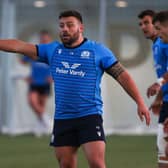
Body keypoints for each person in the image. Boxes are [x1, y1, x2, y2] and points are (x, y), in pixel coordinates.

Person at [0, 10, 150, 168]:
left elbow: (122, 76)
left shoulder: (97, 51)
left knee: (97, 163)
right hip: (63, 119)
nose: (65, 29)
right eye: (61, 26)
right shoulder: (52, 50)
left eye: (70, 25)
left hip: (89, 116)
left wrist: (140, 102)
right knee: (66, 165)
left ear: (81, 28)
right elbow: (19, 46)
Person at [138, 9, 168, 167]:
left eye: (147, 23)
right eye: (141, 24)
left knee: (164, 148)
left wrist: (159, 83)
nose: (144, 27)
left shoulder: (163, 45)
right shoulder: (158, 45)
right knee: (162, 149)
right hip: (166, 101)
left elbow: (164, 77)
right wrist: (159, 98)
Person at [20, 30, 53, 136]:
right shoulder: (34, 51)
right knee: (32, 101)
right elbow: (22, 62)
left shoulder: (53, 52)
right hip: (34, 82)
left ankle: (41, 126)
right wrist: (25, 75)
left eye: (46, 39)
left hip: (45, 83)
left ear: (49, 39)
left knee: (42, 104)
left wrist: (53, 77)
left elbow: (60, 65)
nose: (44, 40)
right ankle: (47, 121)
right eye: (42, 38)